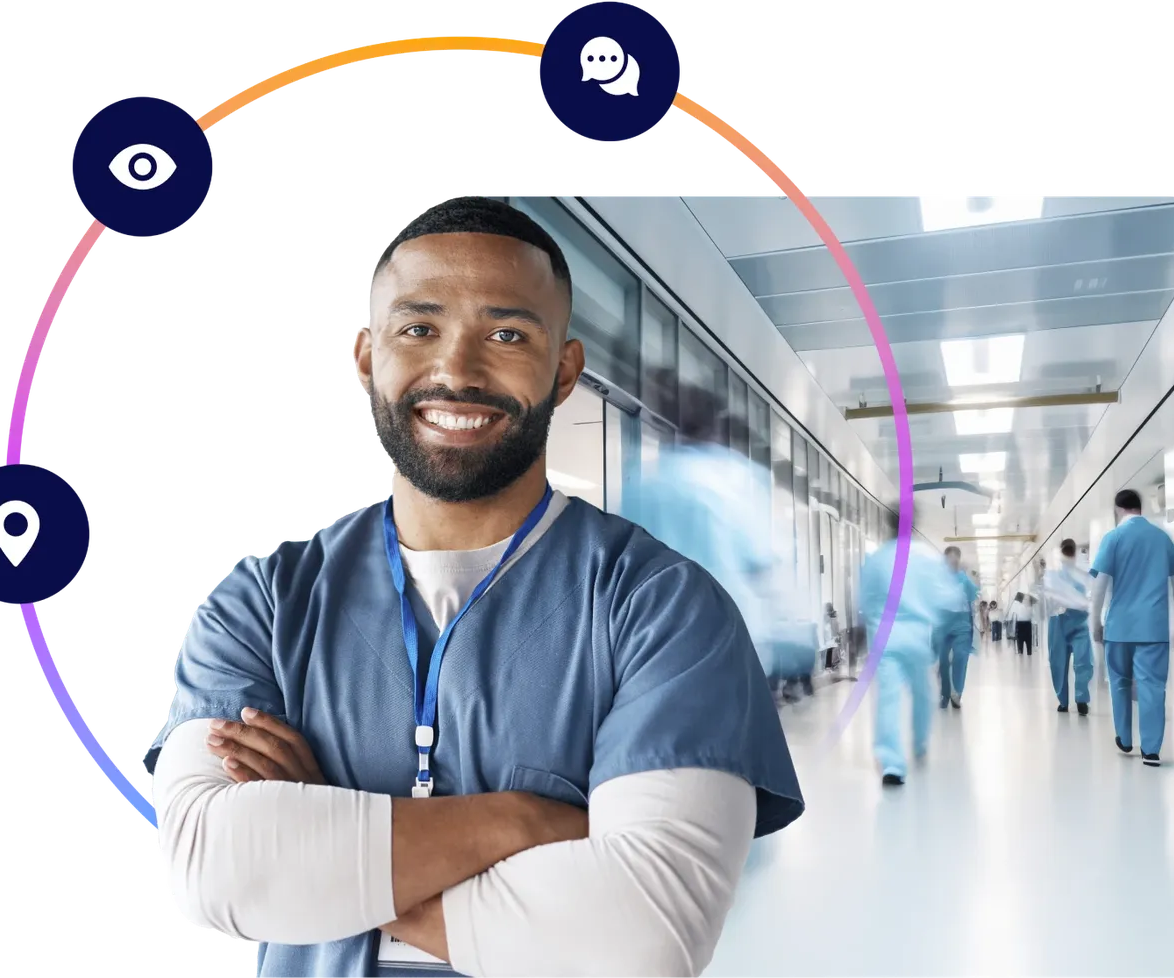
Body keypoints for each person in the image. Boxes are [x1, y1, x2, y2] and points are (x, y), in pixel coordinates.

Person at [143, 195, 805, 978]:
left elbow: (641, 939)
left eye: (507, 334)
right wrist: (522, 821)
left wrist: (331, 840)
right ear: (364, 355)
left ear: (563, 371)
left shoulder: (664, 609)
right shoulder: (262, 601)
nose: (456, 370)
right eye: (418, 328)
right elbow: (209, 871)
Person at [619, 371, 792, 698]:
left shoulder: (642, 486)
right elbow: (763, 562)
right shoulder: (738, 479)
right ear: (716, 426)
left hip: (662, 645)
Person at [1089, 488, 1174, 766]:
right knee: (1153, 686)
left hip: (1119, 627)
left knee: (1119, 682)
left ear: (1118, 509)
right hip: (1154, 628)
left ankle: (1124, 737)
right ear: (1139, 507)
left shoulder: (1113, 538)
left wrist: (1095, 621)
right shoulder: (1161, 537)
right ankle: (1151, 750)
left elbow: (1099, 586)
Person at [861, 529, 963, 785]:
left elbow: (863, 597)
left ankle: (892, 764)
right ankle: (919, 744)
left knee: (888, 697)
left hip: (885, 636)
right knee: (923, 693)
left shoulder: (878, 558)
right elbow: (948, 596)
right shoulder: (926, 558)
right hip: (917, 636)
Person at [1041, 539, 1094, 715]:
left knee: (1083, 661)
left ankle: (1081, 699)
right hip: (1059, 621)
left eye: (1072, 551)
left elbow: (1092, 592)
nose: (1070, 554)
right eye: (1067, 551)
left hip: (1080, 621)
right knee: (1058, 663)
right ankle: (1062, 700)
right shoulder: (1053, 572)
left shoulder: (1084, 570)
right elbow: (1049, 596)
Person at [935, 546, 979, 709]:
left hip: (961, 623)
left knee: (961, 656)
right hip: (943, 622)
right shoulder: (938, 577)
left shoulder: (963, 578)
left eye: (955, 558)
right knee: (944, 661)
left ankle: (957, 693)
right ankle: (945, 694)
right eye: (950, 558)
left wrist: (966, 576)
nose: (953, 561)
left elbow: (973, 594)